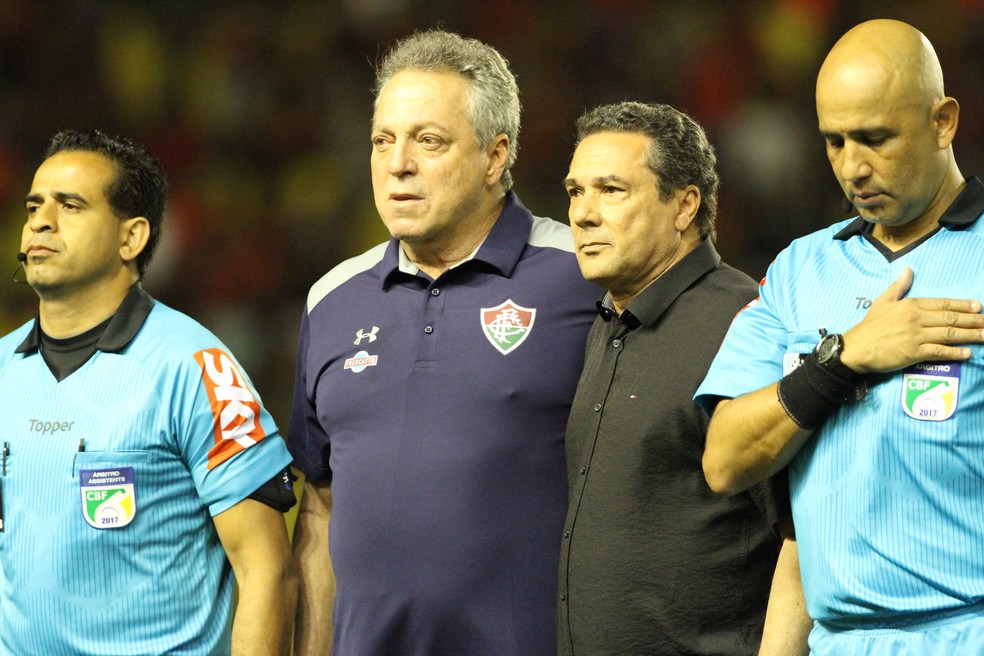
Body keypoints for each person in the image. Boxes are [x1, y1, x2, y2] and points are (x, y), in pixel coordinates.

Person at [288, 29, 600, 656]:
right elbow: (319, 508)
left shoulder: (585, 276)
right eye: (383, 141)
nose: (398, 163)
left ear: (494, 156)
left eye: (428, 141)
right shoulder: (331, 299)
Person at [696, 19, 984, 654]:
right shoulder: (801, 270)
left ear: (943, 122)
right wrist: (844, 357)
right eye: (834, 142)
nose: (853, 167)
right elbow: (724, 459)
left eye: (876, 139)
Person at [0, 130, 297, 655]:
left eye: (70, 205)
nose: (40, 221)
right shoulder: (4, 370)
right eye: (34, 206)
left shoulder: (195, 368)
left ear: (131, 238)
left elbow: (266, 570)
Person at [558, 101, 785, 655]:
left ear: (684, 206)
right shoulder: (610, 319)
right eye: (574, 191)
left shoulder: (744, 322)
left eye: (610, 190)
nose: (583, 213)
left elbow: (800, 538)